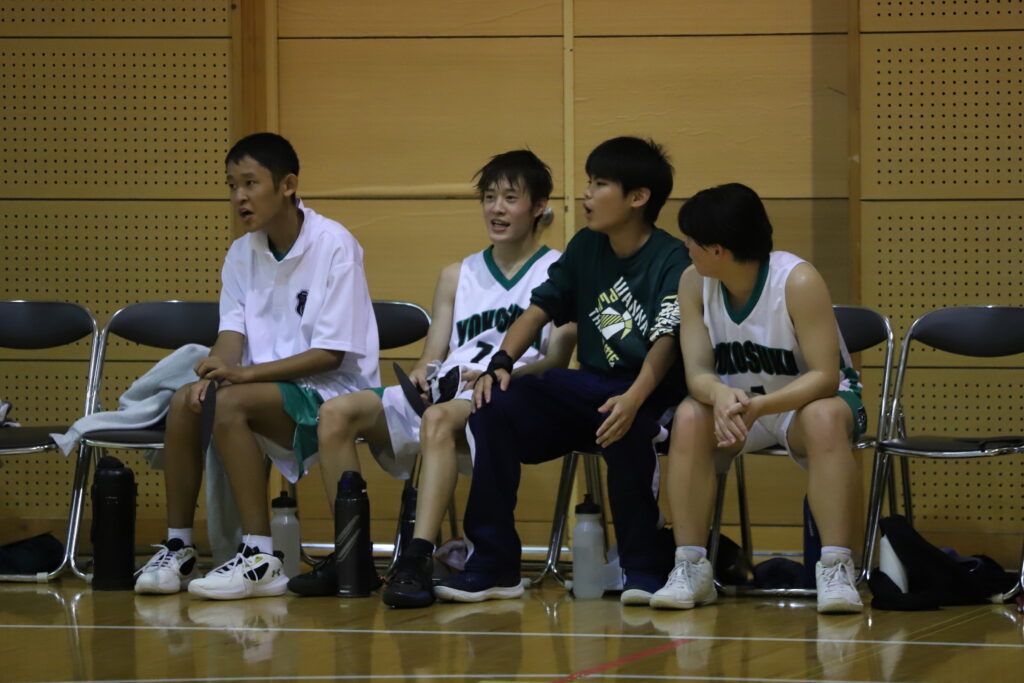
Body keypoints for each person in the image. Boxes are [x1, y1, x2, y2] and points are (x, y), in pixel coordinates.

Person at [287, 150, 577, 607]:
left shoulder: (558, 272)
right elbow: (431, 355)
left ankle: (416, 558)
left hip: (508, 394)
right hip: (448, 389)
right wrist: (422, 372)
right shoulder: (456, 274)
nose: (496, 209)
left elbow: (556, 362)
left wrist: (501, 372)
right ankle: (351, 557)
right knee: (336, 413)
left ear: (539, 206)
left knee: (438, 419)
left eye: (510, 198)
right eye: (489, 197)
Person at [435, 136, 691, 606]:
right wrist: (500, 364)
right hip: (588, 384)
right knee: (492, 405)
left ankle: (642, 567)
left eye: (600, 185)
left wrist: (633, 398)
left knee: (623, 423)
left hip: (649, 387)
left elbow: (667, 342)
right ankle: (493, 564)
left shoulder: (672, 258)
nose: (586, 195)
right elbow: (538, 310)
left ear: (638, 197)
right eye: (589, 183)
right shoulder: (586, 246)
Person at [134, 132, 380, 600]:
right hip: (265, 389)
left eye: (250, 183)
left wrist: (242, 376)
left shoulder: (334, 245)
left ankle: (259, 554)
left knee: (230, 404)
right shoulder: (241, 252)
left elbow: (330, 355)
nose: (239, 197)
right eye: (232, 186)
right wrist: (217, 369)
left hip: (331, 391)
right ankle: (179, 547)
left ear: (287, 185)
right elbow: (232, 335)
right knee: (186, 400)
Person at [650, 182, 866, 614]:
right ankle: (691, 566)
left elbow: (825, 377)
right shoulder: (692, 282)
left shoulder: (797, 280)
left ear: (718, 250)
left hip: (804, 407)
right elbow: (697, 372)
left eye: (692, 240)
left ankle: (836, 568)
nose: (685, 247)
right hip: (738, 408)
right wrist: (719, 394)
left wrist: (760, 407)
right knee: (689, 417)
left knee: (823, 417)